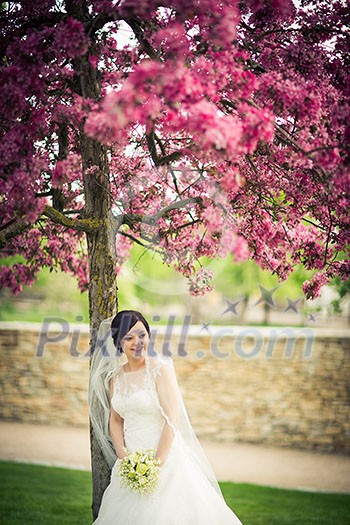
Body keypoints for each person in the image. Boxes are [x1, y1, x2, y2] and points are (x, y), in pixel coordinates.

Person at [89, 310, 244, 525]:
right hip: (130, 462)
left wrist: (155, 464)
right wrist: (123, 455)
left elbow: (172, 419)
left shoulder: (160, 369)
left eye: (142, 335)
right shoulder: (116, 376)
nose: (138, 342)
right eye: (129, 337)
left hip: (165, 459)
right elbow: (116, 419)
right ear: (118, 342)